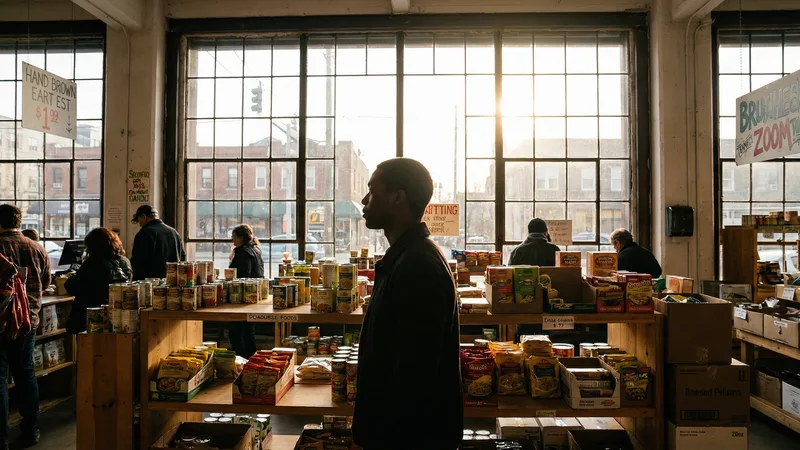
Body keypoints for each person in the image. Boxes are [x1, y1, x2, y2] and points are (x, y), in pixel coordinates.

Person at [353, 158, 462, 450]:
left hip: (407, 437)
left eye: (372, 191)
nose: (364, 201)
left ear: (397, 197)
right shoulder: (407, 257)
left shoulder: (418, 266)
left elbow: (416, 374)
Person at [0, 204, 50, 449]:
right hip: (28, 320)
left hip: (0, 321)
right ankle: (31, 430)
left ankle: (1, 438)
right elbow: (46, 281)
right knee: (25, 373)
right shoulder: (36, 247)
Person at [64, 228, 132, 333]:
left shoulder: (92, 263)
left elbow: (72, 287)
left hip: (90, 318)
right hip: (113, 316)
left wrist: (71, 277)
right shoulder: (120, 262)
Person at [228, 224, 264, 357]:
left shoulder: (242, 252)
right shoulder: (256, 250)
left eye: (234, 237)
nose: (232, 240)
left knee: (236, 333)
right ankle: (252, 361)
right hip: (255, 296)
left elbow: (243, 276)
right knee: (249, 332)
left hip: (243, 297)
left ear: (241, 238)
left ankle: (241, 362)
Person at [130, 205, 186, 281]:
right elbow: (182, 257)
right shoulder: (173, 232)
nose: (139, 224)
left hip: (151, 283)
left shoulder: (144, 233)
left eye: (138, 219)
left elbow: (138, 262)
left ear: (144, 217)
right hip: (172, 282)